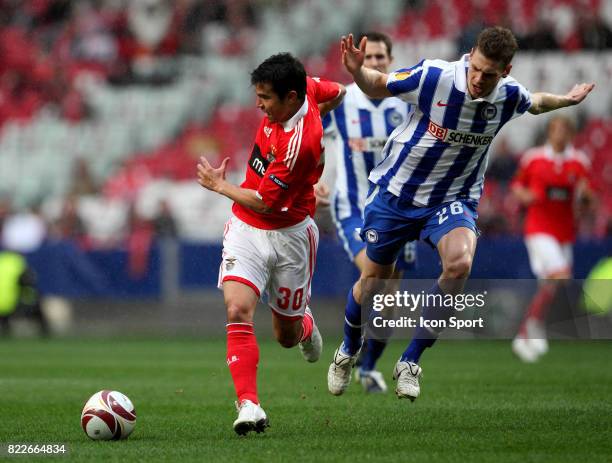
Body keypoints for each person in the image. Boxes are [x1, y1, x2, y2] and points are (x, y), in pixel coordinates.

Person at [328, 26, 594, 401]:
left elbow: (535, 101)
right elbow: (379, 83)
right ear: (470, 56)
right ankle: (346, 351)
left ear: (506, 70)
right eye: (477, 69)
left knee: (459, 264)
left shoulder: (507, 95)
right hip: (396, 195)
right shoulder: (434, 76)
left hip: (452, 199)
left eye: (490, 74)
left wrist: (567, 100)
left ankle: (410, 361)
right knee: (374, 285)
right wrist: (357, 72)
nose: (479, 80)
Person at [197, 52, 345, 434]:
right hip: (247, 228)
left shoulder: (300, 144)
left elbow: (264, 200)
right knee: (237, 309)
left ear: (291, 97)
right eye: (258, 95)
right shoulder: (307, 89)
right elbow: (339, 91)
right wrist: (321, 111)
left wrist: (220, 185)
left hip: (290, 234)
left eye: (266, 98)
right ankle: (249, 405)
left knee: (286, 336)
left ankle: (304, 324)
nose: (259, 105)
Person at [322, 31, 417, 393]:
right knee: (376, 278)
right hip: (352, 205)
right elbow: (319, 139)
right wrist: (319, 180)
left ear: (390, 61)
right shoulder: (342, 100)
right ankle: (349, 350)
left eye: (380, 57)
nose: (374, 63)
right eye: (369, 57)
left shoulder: (406, 101)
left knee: (390, 297)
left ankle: (368, 366)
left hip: (397, 207)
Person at [511, 115, 594, 362]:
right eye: (555, 130)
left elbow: (587, 196)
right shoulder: (534, 158)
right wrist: (526, 196)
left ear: (570, 134)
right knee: (560, 274)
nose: (559, 134)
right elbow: (517, 186)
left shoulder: (579, 162)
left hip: (565, 232)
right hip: (538, 228)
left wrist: (586, 197)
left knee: (550, 283)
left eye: (564, 130)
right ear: (549, 132)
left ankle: (526, 332)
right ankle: (531, 328)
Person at [0, 250, 48, 337]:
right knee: (36, 309)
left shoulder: (2, 261)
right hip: (11, 301)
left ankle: (5, 333)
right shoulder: (18, 263)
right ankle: (45, 333)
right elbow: (27, 283)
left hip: (3, 304)